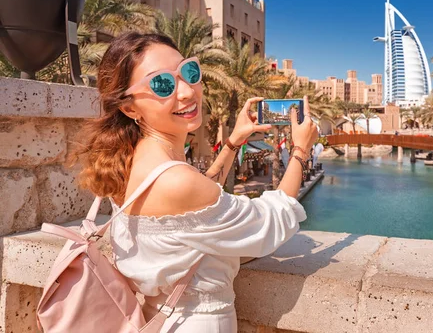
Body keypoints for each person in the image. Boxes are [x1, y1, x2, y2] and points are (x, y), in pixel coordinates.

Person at [72, 33, 318, 332]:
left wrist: (233, 142)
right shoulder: (176, 181)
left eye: (189, 72)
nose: (187, 91)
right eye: (162, 84)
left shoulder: (130, 161)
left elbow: (196, 210)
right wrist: (301, 149)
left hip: (158, 317)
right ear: (129, 107)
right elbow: (271, 221)